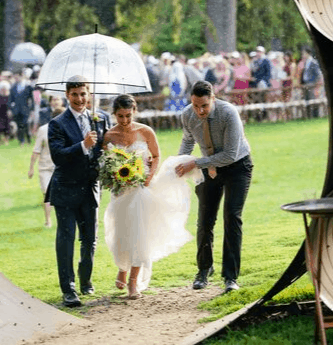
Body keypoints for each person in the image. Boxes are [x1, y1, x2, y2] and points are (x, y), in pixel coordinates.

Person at [103, 94, 202, 299]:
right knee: (120, 234)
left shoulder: (145, 131)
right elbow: (106, 163)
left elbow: (156, 156)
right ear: (114, 115)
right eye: (120, 116)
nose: (124, 121)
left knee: (139, 235)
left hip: (141, 190)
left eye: (128, 116)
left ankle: (133, 282)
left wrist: (149, 175)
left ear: (134, 111)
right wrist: (114, 176)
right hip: (120, 192)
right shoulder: (109, 136)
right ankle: (122, 268)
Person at [175, 81, 253, 293]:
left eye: (204, 106)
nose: (199, 111)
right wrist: (178, 162)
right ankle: (203, 269)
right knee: (205, 220)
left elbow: (229, 154)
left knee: (232, 217)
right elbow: (188, 142)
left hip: (238, 166)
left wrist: (196, 163)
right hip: (209, 168)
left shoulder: (228, 113)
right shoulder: (187, 114)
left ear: (213, 99)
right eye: (195, 105)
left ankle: (230, 277)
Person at [46, 75, 109, 307]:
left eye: (83, 94)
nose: (80, 99)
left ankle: (85, 281)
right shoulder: (57, 123)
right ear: (67, 96)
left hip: (91, 188)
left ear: (89, 94)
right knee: (67, 239)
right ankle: (68, 289)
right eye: (75, 95)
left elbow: (107, 149)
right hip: (65, 189)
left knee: (90, 238)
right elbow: (58, 156)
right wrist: (83, 145)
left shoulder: (101, 118)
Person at [28, 107, 65, 227]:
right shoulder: (43, 130)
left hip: (61, 167)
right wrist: (31, 168)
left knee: (62, 195)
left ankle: (62, 219)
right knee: (46, 193)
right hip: (45, 168)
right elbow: (36, 150)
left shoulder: (67, 129)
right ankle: (48, 220)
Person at [8, 71, 34, 146]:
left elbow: (32, 99)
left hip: (25, 109)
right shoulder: (13, 87)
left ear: (21, 76)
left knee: (25, 124)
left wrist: (32, 110)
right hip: (16, 109)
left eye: (17, 77)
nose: (16, 78)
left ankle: (28, 138)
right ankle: (21, 141)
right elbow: (10, 99)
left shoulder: (28, 86)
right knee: (19, 125)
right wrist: (10, 109)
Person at [300, 46, 322, 118]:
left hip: (311, 84)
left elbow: (318, 74)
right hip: (306, 84)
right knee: (307, 100)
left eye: (304, 53)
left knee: (313, 100)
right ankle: (309, 116)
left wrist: (314, 83)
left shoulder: (313, 62)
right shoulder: (306, 62)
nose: (303, 54)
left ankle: (316, 115)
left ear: (308, 53)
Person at [0, 80, 11, 145]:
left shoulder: (9, 96)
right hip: (0, 114)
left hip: (7, 114)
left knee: (7, 128)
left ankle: (6, 140)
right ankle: (1, 140)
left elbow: (10, 105)